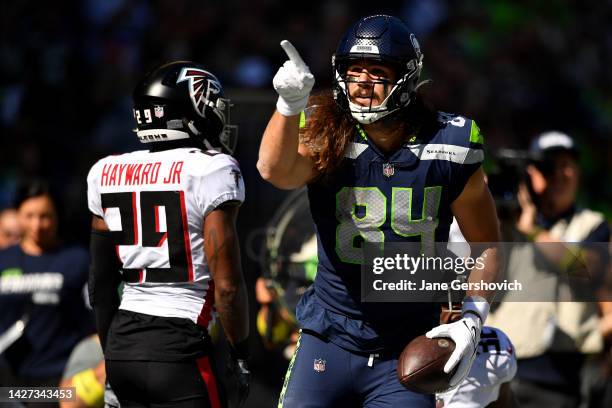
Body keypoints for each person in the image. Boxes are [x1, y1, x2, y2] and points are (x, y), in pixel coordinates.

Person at [258, 15, 502, 407]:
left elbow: (486, 244)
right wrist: (288, 105)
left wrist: (473, 317)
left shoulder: (450, 143)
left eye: (376, 71)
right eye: (354, 71)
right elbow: (274, 170)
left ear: (406, 78)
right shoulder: (325, 129)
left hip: (404, 349)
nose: (362, 82)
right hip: (330, 335)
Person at [86, 61, 250, 408]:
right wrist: (240, 352)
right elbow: (228, 287)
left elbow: (100, 284)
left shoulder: (105, 170)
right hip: (181, 347)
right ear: (188, 111)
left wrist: (112, 356)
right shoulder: (211, 169)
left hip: (122, 347)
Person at [486, 131, 611, 408]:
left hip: (556, 377)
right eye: (548, 167)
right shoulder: (502, 221)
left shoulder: (591, 224)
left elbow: (585, 265)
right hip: (495, 366)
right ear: (529, 174)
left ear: (578, 174)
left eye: (567, 166)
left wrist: (532, 231)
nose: (558, 175)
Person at [0, 180, 95, 392]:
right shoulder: (4, 259)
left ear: (58, 216)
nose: (37, 225)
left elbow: (94, 324)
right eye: (29, 216)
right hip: (7, 377)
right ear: (18, 215)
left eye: (45, 216)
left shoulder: (77, 259)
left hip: (60, 377)